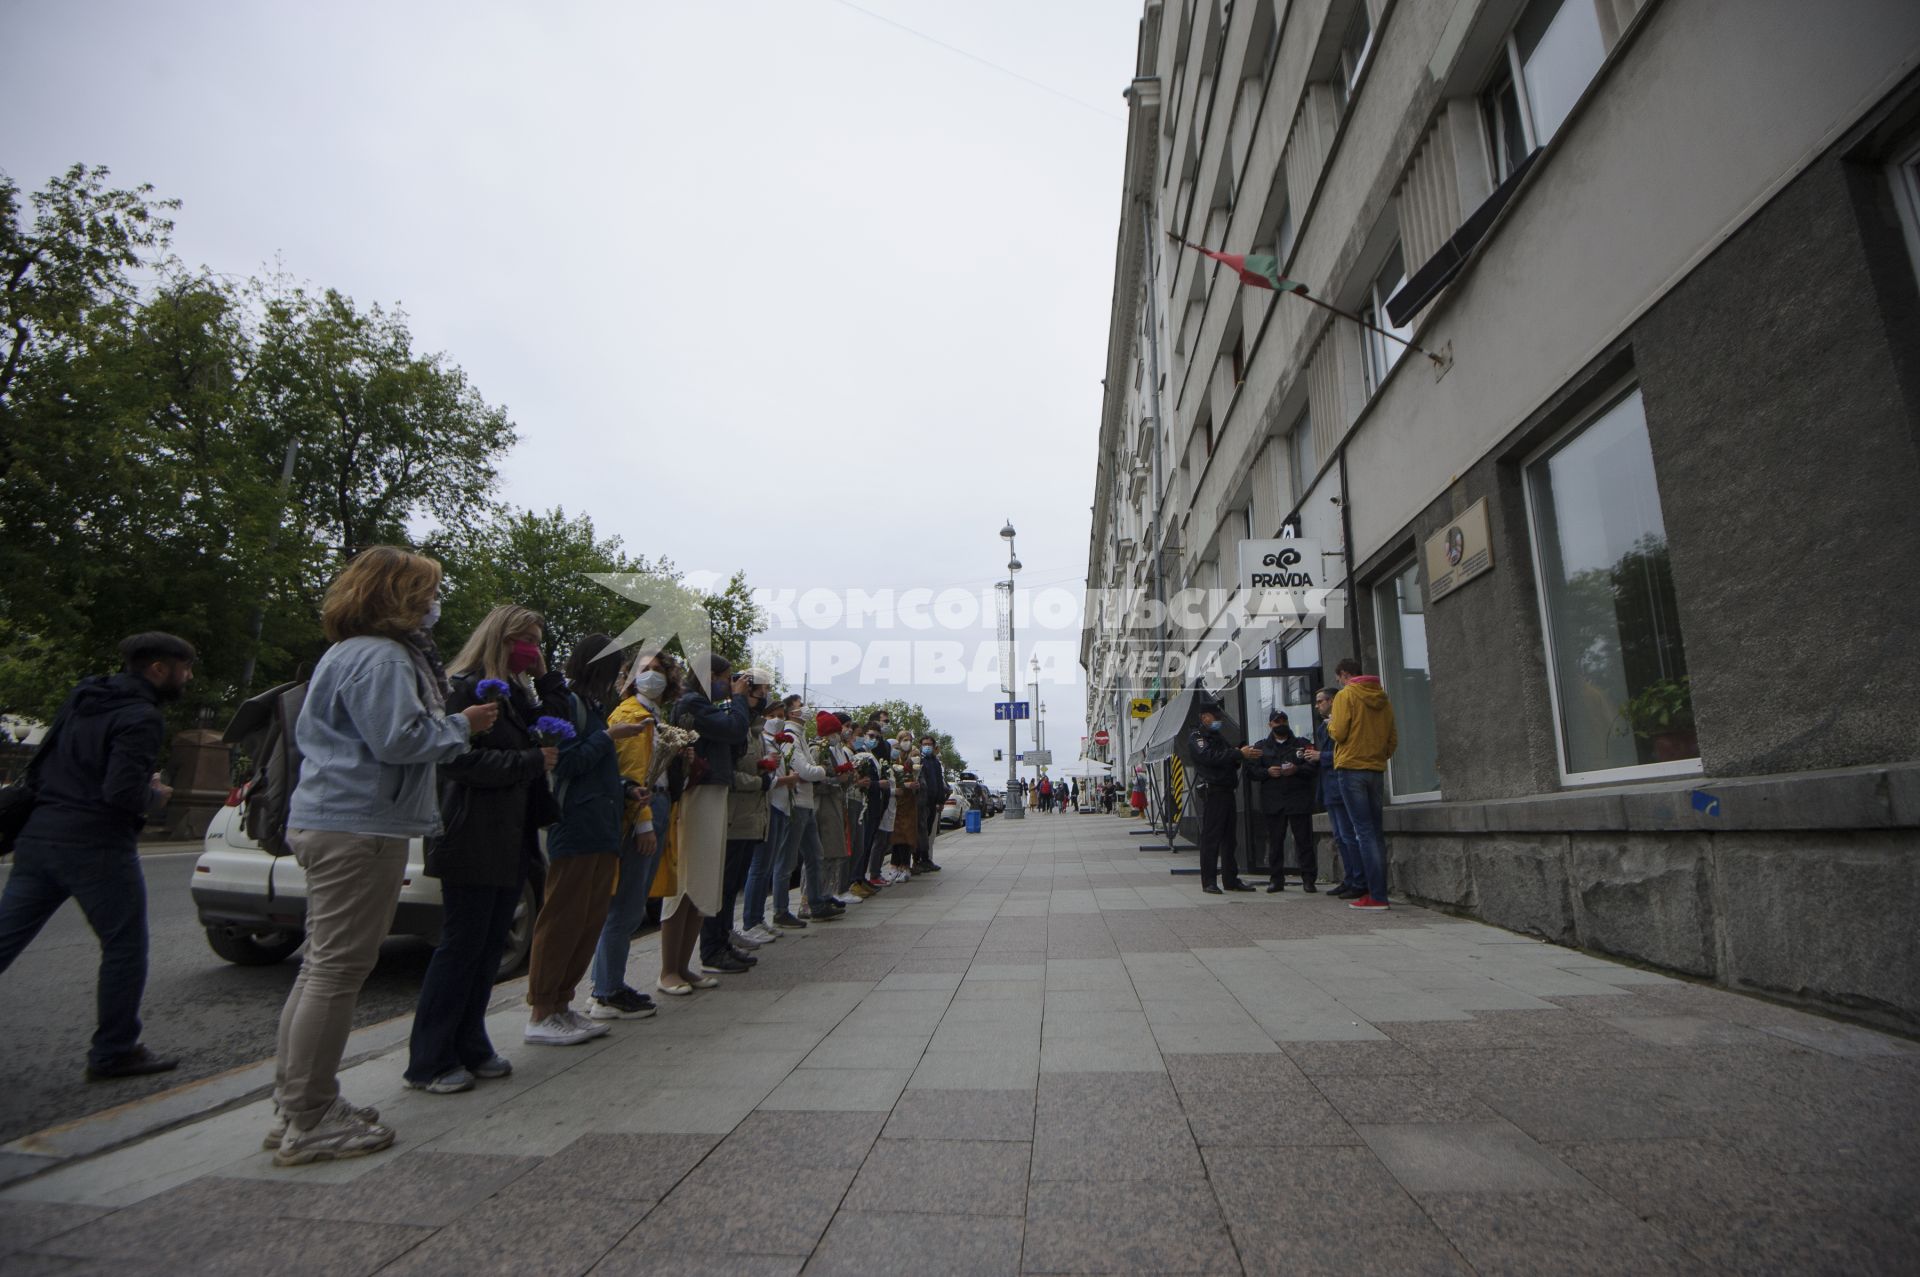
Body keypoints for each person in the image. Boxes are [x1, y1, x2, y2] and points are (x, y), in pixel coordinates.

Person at [270, 547, 492, 1165]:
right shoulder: (386, 658)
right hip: (359, 823)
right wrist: (464, 725)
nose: (432, 603)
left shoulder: (347, 652)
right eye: (425, 591)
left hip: (334, 818)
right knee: (337, 971)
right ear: (397, 596)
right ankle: (310, 1119)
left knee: (322, 968)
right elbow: (400, 741)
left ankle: (297, 1105)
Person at [0, 632, 193, 1083]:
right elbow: (122, 792)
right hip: (96, 845)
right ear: (159, 669)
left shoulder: (84, 695)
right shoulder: (142, 717)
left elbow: (48, 761)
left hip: (40, 833)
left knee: (5, 937)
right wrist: (156, 794)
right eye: (185, 668)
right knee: (125, 947)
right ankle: (114, 1052)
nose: (189, 677)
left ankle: (116, 1049)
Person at [408, 605, 580, 1094]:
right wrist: (528, 761)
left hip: (513, 832)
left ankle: (470, 1041)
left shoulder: (515, 695)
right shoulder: (465, 687)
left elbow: (556, 723)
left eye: (537, 641)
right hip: (472, 833)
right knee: (461, 946)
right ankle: (429, 1057)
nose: (532, 649)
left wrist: (546, 678)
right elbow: (456, 762)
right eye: (525, 640)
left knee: (490, 947)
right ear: (500, 638)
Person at [525, 634, 648, 1045]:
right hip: (576, 826)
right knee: (562, 918)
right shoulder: (573, 705)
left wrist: (627, 787)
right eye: (620, 669)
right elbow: (567, 763)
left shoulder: (595, 709)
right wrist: (608, 739)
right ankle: (542, 1009)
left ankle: (562, 1003)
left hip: (601, 826)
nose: (623, 678)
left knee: (588, 918)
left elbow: (595, 768)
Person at [588, 654, 679, 1017]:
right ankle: (607, 990)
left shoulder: (653, 716)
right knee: (625, 907)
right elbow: (631, 773)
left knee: (630, 904)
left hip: (656, 805)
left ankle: (606, 984)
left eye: (659, 670)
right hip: (642, 809)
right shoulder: (629, 715)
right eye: (646, 670)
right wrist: (643, 822)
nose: (653, 676)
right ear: (629, 678)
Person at [657, 655, 752, 992]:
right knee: (684, 881)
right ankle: (669, 969)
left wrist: (738, 704)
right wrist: (739, 700)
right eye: (726, 678)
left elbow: (738, 741)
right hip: (695, 793)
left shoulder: (709, 706)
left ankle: (683, 966)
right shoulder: (691, 703)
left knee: (703, 881)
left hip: (714, 791)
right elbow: (734, 729)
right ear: (709, 676)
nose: (730, 684)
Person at [708, 672, 774, 967]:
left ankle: (726, 936)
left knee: (734, 883)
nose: (766, 697)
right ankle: (714, 946)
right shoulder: (734, 724)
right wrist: (758, 782)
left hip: (751, 815)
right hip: (735, 815)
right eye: (761, 691)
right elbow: (726, 770)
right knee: (723, 884)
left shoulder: (753, 729)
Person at [1327, 658, 1398, 911]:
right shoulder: (1382, 697)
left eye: (1339, 678)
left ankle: (1375, 896)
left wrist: (1330, 726)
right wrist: (1379, 755)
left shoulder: (1346, 696)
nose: (1339, 682)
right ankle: (1380, 893)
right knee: (1375, 833)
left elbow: (1339, 732)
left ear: (1345, 674)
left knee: (1362, 832)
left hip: (1351, 768)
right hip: (1375, 769)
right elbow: (1392, 737)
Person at [1246, 710, 1317, 893]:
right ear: (1270, 725)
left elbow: (1312, 767)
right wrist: (1267, 772)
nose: (1280, 724)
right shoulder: (1262, 747)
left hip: (1298, 799)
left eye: (1283, 720)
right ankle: (1276, 879)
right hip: (1274, 800)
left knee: (1304, 841)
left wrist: (1297, 769)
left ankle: (1309, 879)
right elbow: (1251, 772)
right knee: (1275, 842)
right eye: (1276, 721)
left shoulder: (1301, 744)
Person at [1191, 700, 1254, 895]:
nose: (1219, 720)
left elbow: (1228, 759)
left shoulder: (1218, 736)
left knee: (1230, 839)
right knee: (1212, 839)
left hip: (1227, 790)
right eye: (1215, 716)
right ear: (1204, 717)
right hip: (1214, 792)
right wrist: (1236, 754)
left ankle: (1230, 879)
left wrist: (1239, 755)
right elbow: (1209, 757)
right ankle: (1209, 881)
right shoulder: (1198, 737)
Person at [1308, 685, 1363, 900]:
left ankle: (1358, 880)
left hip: (1342, 786)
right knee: (1341, 837)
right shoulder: (1323, 727)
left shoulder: (1342, 722)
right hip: (1329, 788)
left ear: (1332, 701)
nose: (1317, 705)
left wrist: (1320, 756)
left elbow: (1346, 753)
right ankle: (1349, 878)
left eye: (1321, 701)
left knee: (1349, 836)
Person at [814, 713, 856, 900]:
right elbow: (815, 781)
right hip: (823, 806)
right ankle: (815, 897)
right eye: (837, 731)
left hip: (836, 803)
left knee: (834, 853)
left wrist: (847, 778)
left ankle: (828, 894)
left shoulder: (834, 750)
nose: (839, 735)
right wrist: (836, 780)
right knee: (823, 855)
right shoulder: (818, 750)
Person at [914, 735, 945, 874]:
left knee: (927, 832)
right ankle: (918, 860)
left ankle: (925, 859)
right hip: (922, 801)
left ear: (933, 746)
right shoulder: (918, 760)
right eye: (924, 744)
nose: (927, 746)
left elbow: (939, 782)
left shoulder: (935, 762)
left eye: (929, 744)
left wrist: (940, 801)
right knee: (920, 831)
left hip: (932, 802)